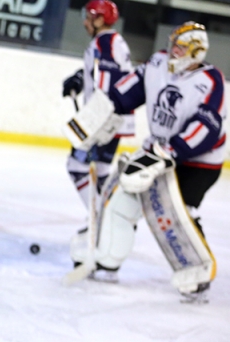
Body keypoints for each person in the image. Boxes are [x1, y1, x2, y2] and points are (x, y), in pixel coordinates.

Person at [70, 22, 225, 302]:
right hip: (159, 148)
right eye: (172, 44)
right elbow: (127, 91)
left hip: (198, 163)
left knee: (176, 213)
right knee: (122, 200)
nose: (172, 50)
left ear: (195, 50)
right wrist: (98, 114)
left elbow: (206, 128)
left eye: (179, 47)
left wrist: (170, 152)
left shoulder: (211, 80)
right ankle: (107, 259)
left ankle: (197, 276)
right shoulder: (157, 64)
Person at [61, 0, 133, 207]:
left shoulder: (104, 43)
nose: (85, 22)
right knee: (101, 171)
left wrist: (94, 120)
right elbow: (104, 74)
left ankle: (100, 216)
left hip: (104, 119)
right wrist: (80, 78)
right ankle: (113, 218)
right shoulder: (113, 41)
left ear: (101, 20)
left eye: (90, 18)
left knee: (76, 165)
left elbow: (108, 80)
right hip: (115, 119)